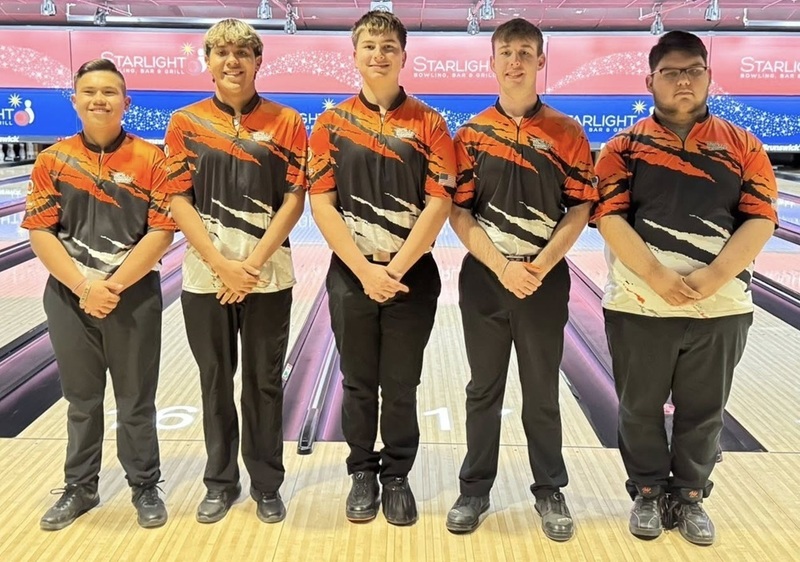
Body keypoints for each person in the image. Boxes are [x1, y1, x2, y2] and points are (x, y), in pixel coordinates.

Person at [592, 30, 777, 546]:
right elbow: (609, 217)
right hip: (638, 305)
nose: (683, 80)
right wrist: (659, 278)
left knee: (704, 411)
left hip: (722, 306)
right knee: (639, 409)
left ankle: (690, 495)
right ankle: (648, 492)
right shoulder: (622, 148)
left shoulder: (744, 145)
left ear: (709, 77)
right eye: (671, 72)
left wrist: (711, 279)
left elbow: (761, 218)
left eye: (693, 70)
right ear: (649, 80)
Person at [443, 18, 598, 542]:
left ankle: (549, 489)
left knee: (541, 391)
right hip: (486, 278)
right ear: (492, 62)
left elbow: (579, 208)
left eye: (525, 52)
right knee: (482, 389)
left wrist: (541, 264)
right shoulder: (470, 135)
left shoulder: (568, 133)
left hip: (544, 279)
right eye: (506, 53)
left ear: (541, 61)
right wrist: (503, 266)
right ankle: (474, 489)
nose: (515, 61)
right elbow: (459, 212)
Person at [307, 10, 455, 526]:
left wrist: (395, 270)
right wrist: (366, 271)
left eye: (388, 46)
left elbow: (439, 202)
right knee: (357, 381)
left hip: (413, 276)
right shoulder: (330, 124)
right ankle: (361, 472)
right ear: (354, 55)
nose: (379, 54)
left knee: (401, 382)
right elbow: (322, 204)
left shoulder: (431, 123)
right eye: (369, 46)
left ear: (403, 56)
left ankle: (396, 475)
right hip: (352, 274)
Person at [163, 19, 307, 524]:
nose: (232, 61)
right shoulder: (185, 122)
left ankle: (267, 484)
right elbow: (178, 199)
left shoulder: (286, 121)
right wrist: (222, 264)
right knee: (215, 382)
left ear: (258, 61)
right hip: (207, 276)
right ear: (207, 61)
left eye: (243, 52)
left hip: (268, 276)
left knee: (264, 383)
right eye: (222, 52)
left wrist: (251, 264)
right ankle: (220, 482)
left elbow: (294, 198)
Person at [24, 59, 174, 530]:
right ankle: (81, 487)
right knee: (82, 400)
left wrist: (113, 286)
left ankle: (144, 484)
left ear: (126, 102)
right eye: (89, 91)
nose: (99, 100)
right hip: (70, 298)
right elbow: (41, 232)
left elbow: (161, 231)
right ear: (75, 100)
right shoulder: (52, 160)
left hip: (134, 296)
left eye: (109, 92)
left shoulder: (152, 159)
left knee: (136, 400)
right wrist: (84, 286)